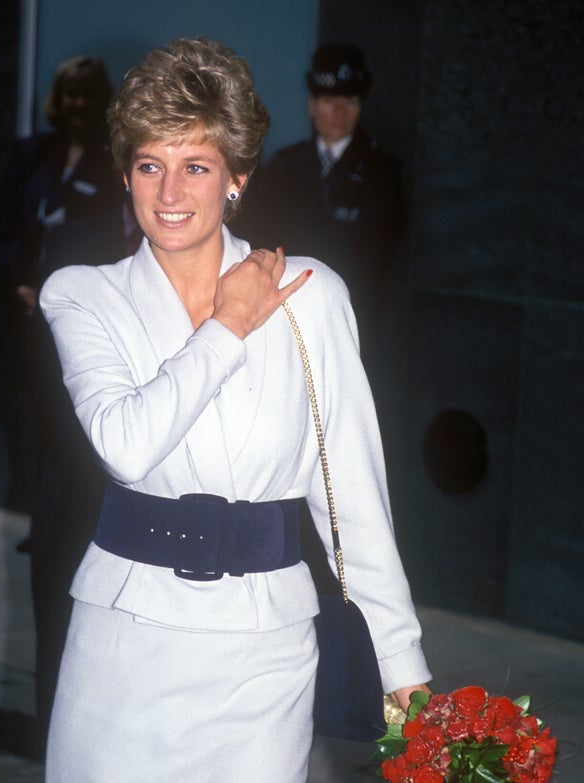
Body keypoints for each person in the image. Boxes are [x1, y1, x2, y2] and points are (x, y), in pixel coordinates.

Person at [40, 38, 431, 782]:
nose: (170, 193)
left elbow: (350, 493)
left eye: (197, 166)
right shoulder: (82, 294)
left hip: (264, 657)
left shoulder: (314, 295)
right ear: (125, 176)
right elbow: (127, 445)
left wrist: (402, 666)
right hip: (122, 650)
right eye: (150, 165)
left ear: (237, 179)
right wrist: (228, 325)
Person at [0, 55, 131, 752]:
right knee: (57, 565)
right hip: (58, 395)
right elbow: (9, 233)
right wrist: (26, 286)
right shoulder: (44, 176)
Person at [235, 43, 406, 399]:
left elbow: (378, 258)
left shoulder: (383, 174)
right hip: (287, 318)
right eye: (329, 101)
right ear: (312, 105)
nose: (339, 112)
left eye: (350, 102)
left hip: (350, 319)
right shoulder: (284, 167)